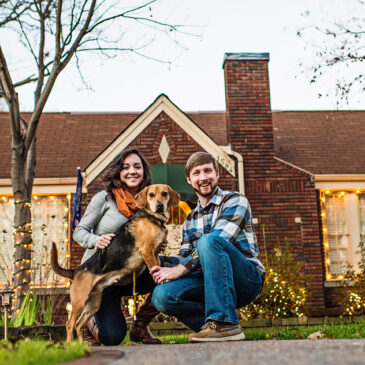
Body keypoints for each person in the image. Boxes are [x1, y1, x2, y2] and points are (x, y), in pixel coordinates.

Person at [150, 152, 265, 342]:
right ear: (189, 179)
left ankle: (224, 322)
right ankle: (215, 328)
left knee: (208, 241)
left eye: (207, 171)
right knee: (162, 296)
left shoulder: (235, 200)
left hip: (246, 279)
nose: (203, 178)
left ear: (217, 174)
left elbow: (220, 240)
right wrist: (161, 262)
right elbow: (184, 256)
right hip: (208, 281)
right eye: (196, 173)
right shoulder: (189, 220)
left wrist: (179, 268)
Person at [73, 149, 163, 346]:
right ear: (118, 172)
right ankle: (90, 321)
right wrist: (96, 240)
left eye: (137, 167)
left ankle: (140, 325)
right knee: (112, 337)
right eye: (126, 167)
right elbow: (79, 231)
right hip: (102, 278)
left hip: (134, 275)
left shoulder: (151, 200)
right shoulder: (104, 199)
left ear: (144, 172)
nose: (132, 171)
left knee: (167, 271)